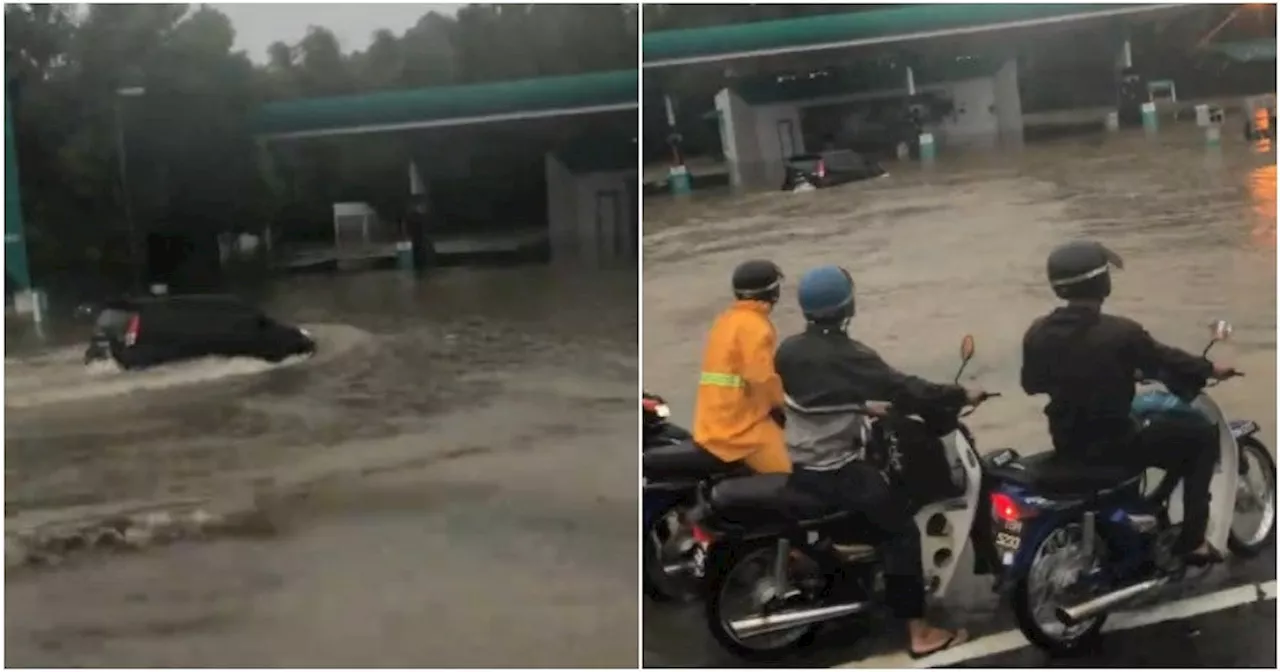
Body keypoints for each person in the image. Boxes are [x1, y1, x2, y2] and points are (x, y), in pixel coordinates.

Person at [775, 264, 984, 659]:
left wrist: (861, 405)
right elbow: (906, 388)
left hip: (800, 461)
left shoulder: (789, 349)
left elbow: (816, 396)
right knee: (901, 532)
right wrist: (959, 394)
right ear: (847, 305)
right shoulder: (850, 355)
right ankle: (920, 634)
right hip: (835, 467)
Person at [1021, 239, 1235, 566]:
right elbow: (1165, 358)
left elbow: (1031, 384)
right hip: (1118, 444)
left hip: (1068, 442)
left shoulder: (1038, 332)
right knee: (1202, 437)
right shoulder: (1121, 333)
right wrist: (1209, 369)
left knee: (1161, 429)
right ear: (1101, 282)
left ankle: (1150, 507)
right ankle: (1193, 542)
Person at [692, 259, 791, 474]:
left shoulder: (725, 321)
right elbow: (761, 379)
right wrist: (784, 406)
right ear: (773, 293)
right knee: (791, 477)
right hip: (740, 429)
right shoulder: (756, 327)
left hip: (710, 424)